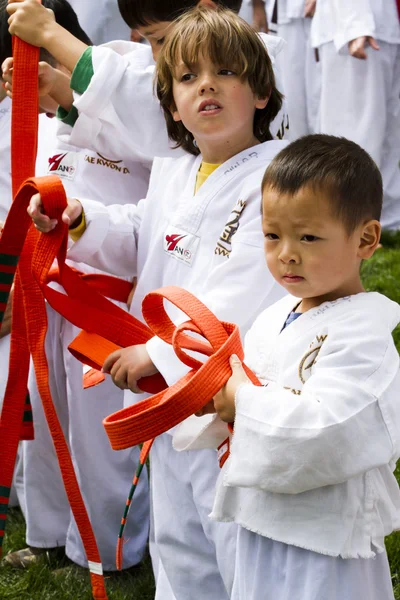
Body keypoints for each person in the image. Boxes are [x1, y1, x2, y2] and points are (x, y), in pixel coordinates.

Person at [27, 7, 287, 598]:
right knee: (177, 540)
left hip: (224, 398)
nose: (208, 86)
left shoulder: (276, 179)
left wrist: (163, 352)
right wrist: (81, 221)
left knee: (229, 536)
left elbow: (244, 285)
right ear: (170, 105)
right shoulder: (174, 168)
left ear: (263, 93)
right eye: (189, 79)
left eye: (226, 72)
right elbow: (143, 237)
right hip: (165, 396)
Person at [188, 134, 400, 600]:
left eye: (308, 236)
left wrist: (240, 401)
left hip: (326, 545)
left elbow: (329, 431)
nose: (286, 252)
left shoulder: (366, 335)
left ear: (365, 239)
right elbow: (244, 393)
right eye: (271, 235)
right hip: (261, 524)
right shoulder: (271, 319)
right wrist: (207, 401)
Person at [1, 0, 151, 573]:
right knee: (44, 416)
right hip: (44, 287)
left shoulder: (127, 78)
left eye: (37, 59)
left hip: (105, 294)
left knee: (98, 430)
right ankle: (48, 534)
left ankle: (112, 554)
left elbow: (144, 139)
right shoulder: (33, 121)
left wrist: (66, 89)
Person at [4, 0, 288, 160]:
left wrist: (49, 33)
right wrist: (57, 87)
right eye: (147, 40)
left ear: (206, 11)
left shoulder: (251, 66)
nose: (155, 54)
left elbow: (133, 96)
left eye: (161, 38)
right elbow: (124, 129)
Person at [311, 0, 400, 231]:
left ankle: (385, 220)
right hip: (354, 26)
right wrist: (357, 25)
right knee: (357, 129)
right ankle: (351, 221)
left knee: (387, 131)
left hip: (383, 25)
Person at [275, 0, 320, 140]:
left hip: (329, 16)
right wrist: (257, 5)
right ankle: (298, 158)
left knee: (321, 99)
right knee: (291, 98)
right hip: (289, 14)